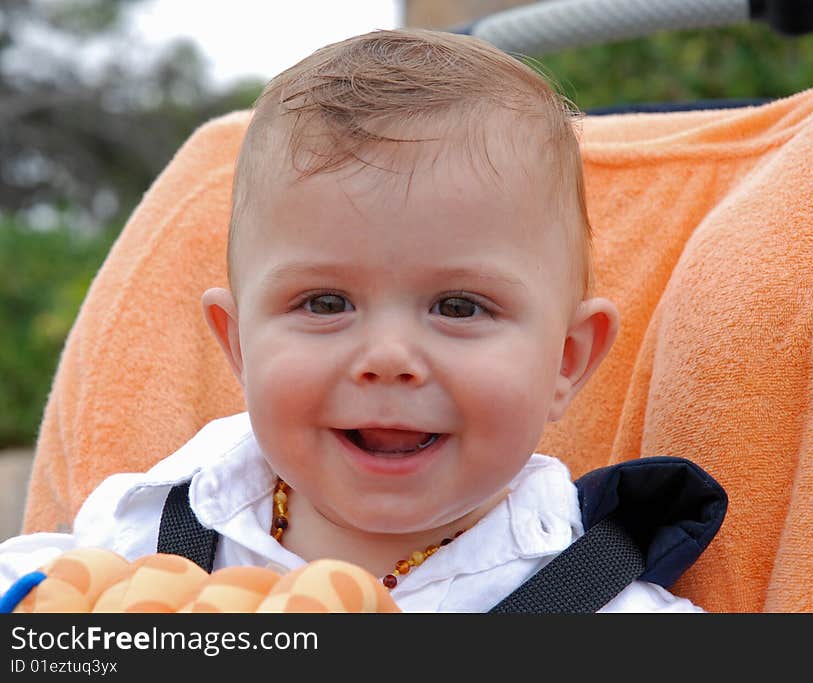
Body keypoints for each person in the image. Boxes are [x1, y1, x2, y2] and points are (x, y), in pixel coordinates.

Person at [0, 28, 715, 612]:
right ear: (240, 345)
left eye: (459, 306)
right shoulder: (157, 527)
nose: (388, 356)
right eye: (325, 303)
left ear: (564, 360)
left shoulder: (592, 596)